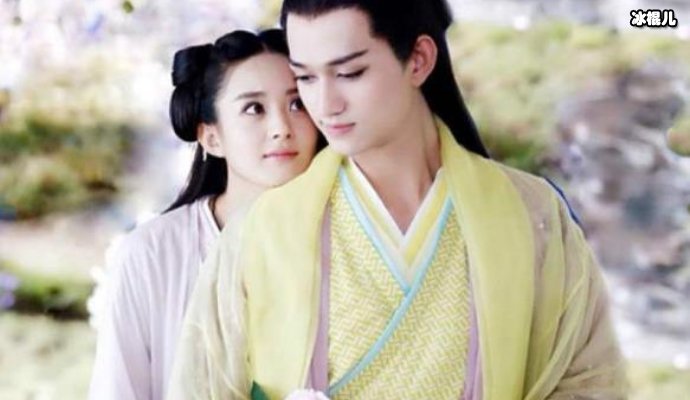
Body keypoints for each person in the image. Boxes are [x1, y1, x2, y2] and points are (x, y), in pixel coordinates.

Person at [170, 1, 628, 399]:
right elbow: (203, 388)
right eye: (305, 77)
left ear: (419, 60)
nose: (325, 104)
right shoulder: (264, 229)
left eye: (349, 73)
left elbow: (587, 381)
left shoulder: (532, 212)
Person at [88, 29, 321, 400]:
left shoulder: (346, 237)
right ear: (212, 138)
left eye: (297, 105)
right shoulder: (151, 254)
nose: (281, 128)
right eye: (254, 109)